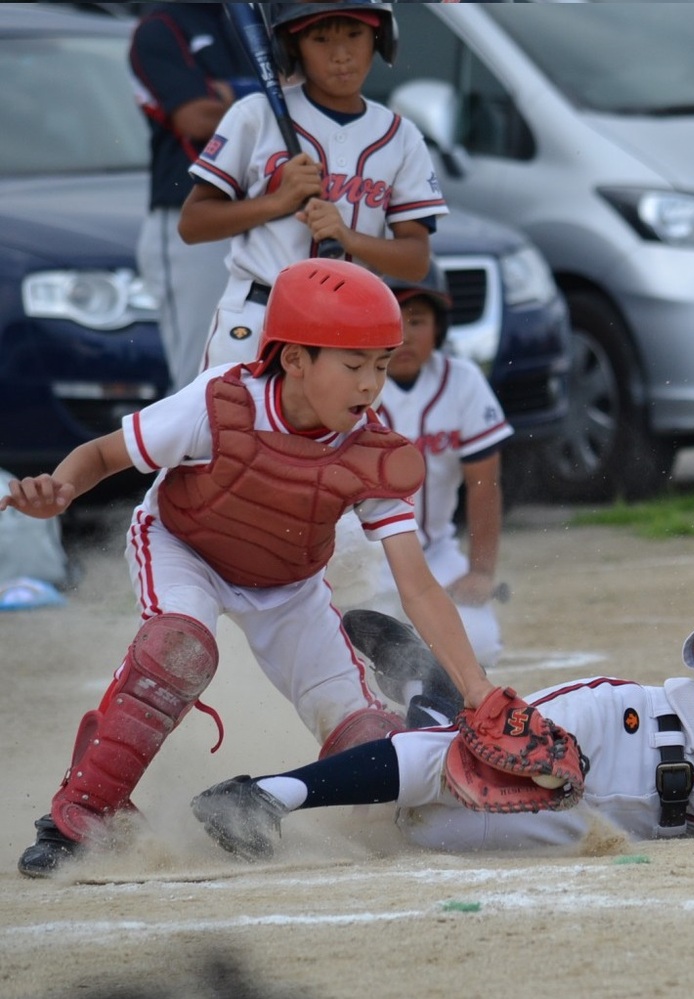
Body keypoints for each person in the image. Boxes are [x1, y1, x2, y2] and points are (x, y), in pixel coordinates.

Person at [1, 259, 535, 879]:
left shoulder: (372, 451)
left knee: (367, 738)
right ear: (294, 359)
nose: (370, 384)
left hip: (289, 584)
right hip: (184, 547)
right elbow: (101, 453)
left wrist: (479, 693)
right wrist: (61, 489)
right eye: (353, 364)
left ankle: (256, 806)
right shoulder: (223, 400)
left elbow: (416, 584)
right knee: (180, 645)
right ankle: (83, 812)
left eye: (381, 366)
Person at [190, 579, 694, 859]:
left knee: (421, 830)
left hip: (612, 823)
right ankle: (264, 795)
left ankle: (427, 686)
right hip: (619, 727)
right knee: (455, 760)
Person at [178, 1, 447, 371]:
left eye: (355, 34)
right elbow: (192, 224)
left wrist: (348, 237)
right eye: (321, 39)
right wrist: (277, 201)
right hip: (259, 314)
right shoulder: (255, 116)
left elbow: (416, 260)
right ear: (291, 47)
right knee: (235, 427)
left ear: (380, 38)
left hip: (351, 328)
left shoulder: (401, 137)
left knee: (338, 431)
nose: (341, 55)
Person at [330, 261, 512, 670]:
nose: (406, 335)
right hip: (360, 561)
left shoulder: (462, 381)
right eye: (395, 319)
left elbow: (485, 485)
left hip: (435, 555)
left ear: (440, 328)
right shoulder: (345, 382)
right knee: (343, 656)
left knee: (479, 644)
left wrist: (482, 571)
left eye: (418, 320)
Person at [129, 3, 260, 392]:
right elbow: (196, 118)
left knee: (253, 375)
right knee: (199, 380)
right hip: (190, 224)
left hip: (258, 217)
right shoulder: (160, 26)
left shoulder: (247, 18)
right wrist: (266, 98)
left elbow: (300, 96)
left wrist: (235, 93)